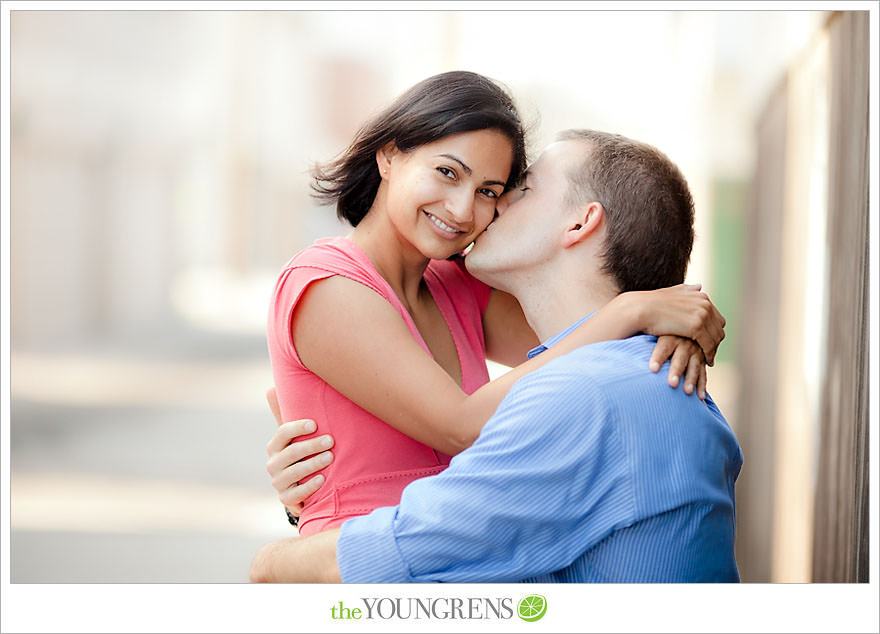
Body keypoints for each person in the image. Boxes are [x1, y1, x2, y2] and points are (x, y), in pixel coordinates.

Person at [250, 129, 743, 583]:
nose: (484, 208)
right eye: (449, 172)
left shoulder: (582, 396)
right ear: (390, 157)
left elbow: (415, 540)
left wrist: (269, 564)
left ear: (580, 222)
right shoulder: (649, 371)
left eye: (510, 189)